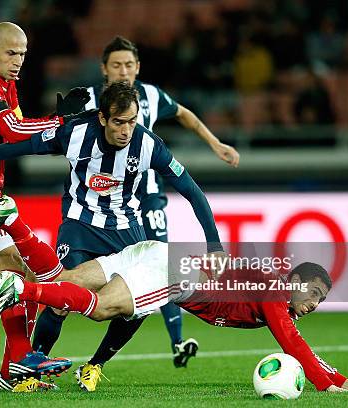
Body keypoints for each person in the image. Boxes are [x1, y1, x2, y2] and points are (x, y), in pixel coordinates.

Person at [0, 195, 348, 393]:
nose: (313, 303)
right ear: (294, 280)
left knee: (64, 279)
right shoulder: (273, 293)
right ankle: (19, 286)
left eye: (320, 299)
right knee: (100, 310)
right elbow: (293, 343)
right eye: (312, 292)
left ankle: (15, 223)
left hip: (153, 251)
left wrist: (337, 377)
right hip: (171, 271)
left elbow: (300, 343)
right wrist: (332, 385)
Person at [0, 81, 226, 390]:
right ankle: (32, 367)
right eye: (119, 122)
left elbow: (191, 190)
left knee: (139, 305)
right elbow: (23, 147)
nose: (126, 130)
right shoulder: (76, 133)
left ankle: (95, 365)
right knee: (60, 294)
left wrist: (214, 245)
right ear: (103, 118)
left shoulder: (149, 145)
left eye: (132, 122)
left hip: (125, 228)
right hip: (79, 225)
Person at [42, 35, 240, 371]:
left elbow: (184, 114)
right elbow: (57, 131)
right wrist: (58, 117)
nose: (123, 71)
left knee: (156, 267)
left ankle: (175, 341)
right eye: (117, 65)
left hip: (148, 195)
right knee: (75, 282)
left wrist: (214, 142)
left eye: (129, 65)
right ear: (104, 69)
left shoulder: (151, 95)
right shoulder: (91, 98)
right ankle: (40, 350)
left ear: (138, 68)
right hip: (100, 204)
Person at [0, 21, 89, 393]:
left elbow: (21, 132)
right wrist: (62, 123)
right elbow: (12, 131)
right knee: (14, 267)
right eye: (11, 52)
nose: (18, 60)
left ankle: (14, 373)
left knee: (22, 273)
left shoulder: (6, 83)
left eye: (23, 53)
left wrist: (59, 129)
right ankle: (20, 362)